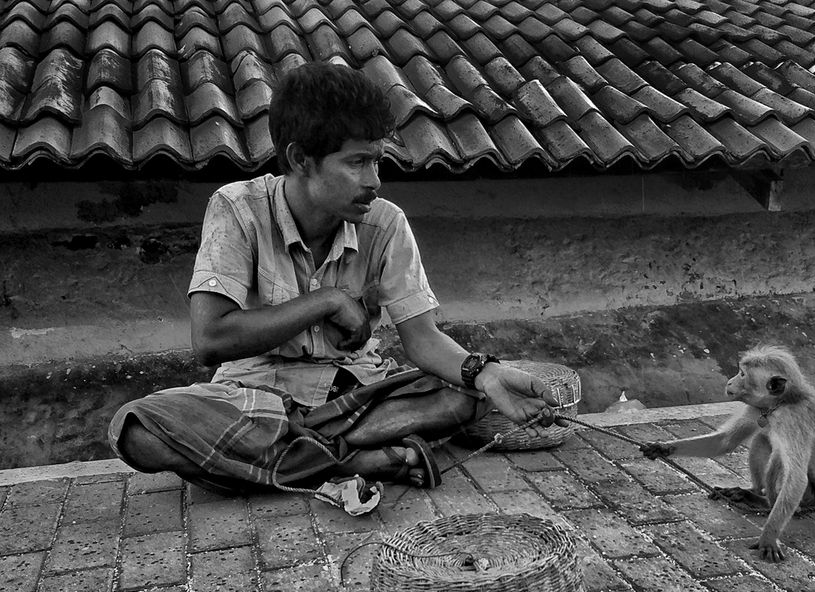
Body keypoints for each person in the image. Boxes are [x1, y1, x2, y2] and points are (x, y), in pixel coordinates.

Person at [108, 61, 558, 507]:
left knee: (464, 396)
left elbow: (422, 340)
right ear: (300, 158)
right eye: (357, 162)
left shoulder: (386, 224)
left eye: (377, 161)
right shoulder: (237, 209)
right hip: (256, 399)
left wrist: (487, 373)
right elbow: (210, 339)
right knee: (136, 431)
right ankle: (355, 460)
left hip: (358, 395)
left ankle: (303, 460)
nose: (374, 182)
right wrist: (326, 300)